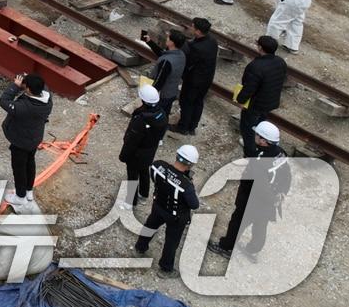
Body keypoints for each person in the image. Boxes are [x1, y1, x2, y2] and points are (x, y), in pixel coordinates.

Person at [208, 121, 291, 260]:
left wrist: (269, 199)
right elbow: (287, 175)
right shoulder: (280, 154)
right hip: (270, 200)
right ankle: (253, 249)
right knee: (260, 225)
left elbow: (260, 186)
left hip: (253, 200)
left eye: (257, 135)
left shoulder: (259, 161)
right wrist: (280, 194)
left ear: (264, 141)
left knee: (238, 223)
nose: (255, 136)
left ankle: (226, 247)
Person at [134, 145, 201, 276]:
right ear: (191, 165)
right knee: (171, 241)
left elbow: (154, 178)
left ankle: (140, 247)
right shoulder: (186, 185)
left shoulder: (158, 165)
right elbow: (194, 205)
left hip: (158, 206)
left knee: (150, 226)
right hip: (175, 216)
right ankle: (165, 268)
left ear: (177, 155)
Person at [0, 72, 52, 209]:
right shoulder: (47, 99)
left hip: (20, 141)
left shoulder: (23, 107)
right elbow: (42, 85)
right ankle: (29, 191)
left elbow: (3, 101)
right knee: (30, 163)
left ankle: (20, 196)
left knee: (19, 169)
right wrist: (31, 79)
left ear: (28, 89)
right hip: (34, 139)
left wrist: (15, 86)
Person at [236, 36, 287, 157]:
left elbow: (249, 87)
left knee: (248, 128)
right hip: (270, 102)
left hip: (255, 104)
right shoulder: (280, 62)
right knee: (261, 123)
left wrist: (240, 100)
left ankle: (250, 152)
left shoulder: (255, 66)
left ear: (260, 48)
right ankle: (260, 144)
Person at [119, 84, 168, 205]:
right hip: (150, 151)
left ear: (143, 100)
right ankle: (144, 194)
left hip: (136, 154)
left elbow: (131, 140)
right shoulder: (162, 114)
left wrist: (123, 156)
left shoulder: (141, 119)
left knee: (132, 176)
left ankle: (130, 201)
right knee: (144, 171)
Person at [172, 18, 218, 136]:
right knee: (198, 102)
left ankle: (183, 127)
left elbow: (188, 62)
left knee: (187, 102)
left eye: (193, 27)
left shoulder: (196, 48)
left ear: (198, 31)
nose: (191, 28)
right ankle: (192, 127)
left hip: (194, 80)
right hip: (207, 79)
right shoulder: (212, 41)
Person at [141, 29, 187, 123]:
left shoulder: (166, 62)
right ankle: (162, 128)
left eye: (168, 38)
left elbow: (159, 82)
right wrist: (150, 42)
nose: (166, 39)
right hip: (172, 92)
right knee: (164, 114)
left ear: (172, 43)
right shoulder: (181, 55)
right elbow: (163, 54)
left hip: (162, 95)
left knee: (155, 117)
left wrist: (148, 96)